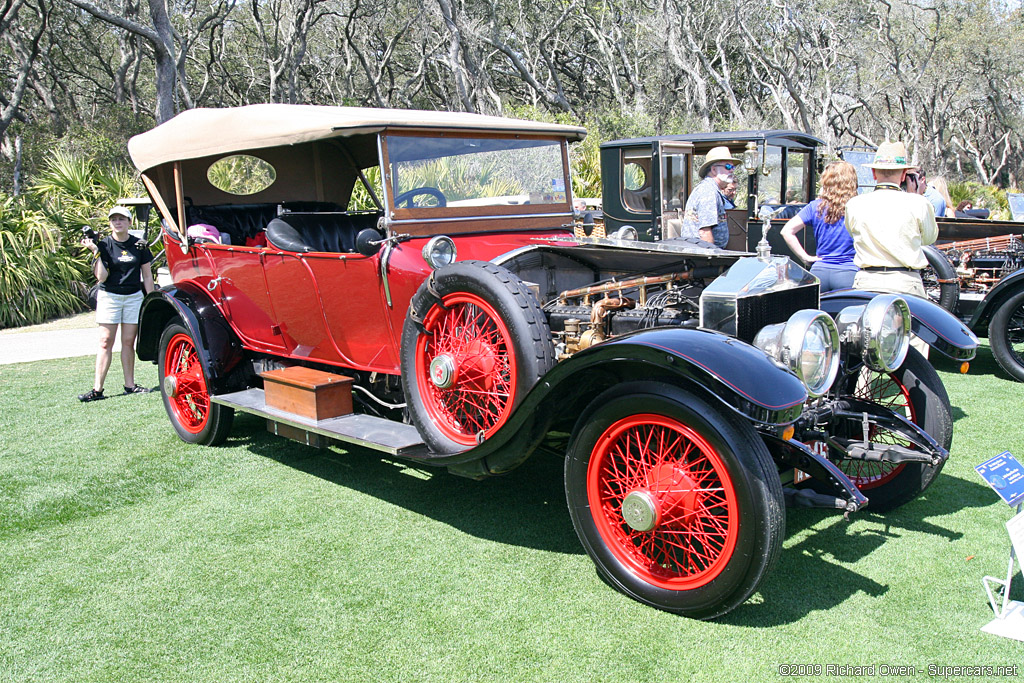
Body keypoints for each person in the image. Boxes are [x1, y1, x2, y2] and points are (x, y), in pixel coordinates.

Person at [78, 206, 155, 402]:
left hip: (133, 297)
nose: (118, 222)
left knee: (128, 342)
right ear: (110, 223)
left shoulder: (139, 245)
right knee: (105, 341)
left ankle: (130, 385)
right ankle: (97, 389)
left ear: (129, 222)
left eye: (122, 219)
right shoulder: (104, 245)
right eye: (114, 219)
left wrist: (151, 299)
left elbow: (147, 276)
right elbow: (101, 277)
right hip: (109, 296)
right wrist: (95, 251)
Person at [845, 141, 937, 299]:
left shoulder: (854, 204)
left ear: (874, 173)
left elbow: (852, 234)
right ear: (903, 175)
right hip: (905, 283)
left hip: (867, 282)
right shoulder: (919, 203)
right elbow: (929, 239)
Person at [780, 161, 860, 292]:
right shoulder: (857, 206)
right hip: (849, 273)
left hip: (819, 272)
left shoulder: (815, 206)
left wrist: (805, 258)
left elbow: (787, 231)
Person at [674, 146, 742, 247]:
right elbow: (704, 232)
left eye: (733, 167)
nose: (731, 170)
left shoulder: (712, 189)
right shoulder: (708, 191)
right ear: (714, 170)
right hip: (700, 254)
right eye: (727, 167)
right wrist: (712, 258)